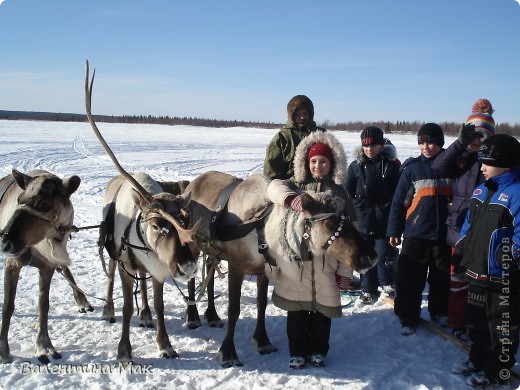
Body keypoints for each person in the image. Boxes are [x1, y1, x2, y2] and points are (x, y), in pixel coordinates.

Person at [265, 130, 358, 369]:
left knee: (322, 315)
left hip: (328, 265)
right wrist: (291, 200)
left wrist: (346, 273)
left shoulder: (340, 194)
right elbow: (272, 187)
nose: (318, 166)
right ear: (306, 163)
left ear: (332, 163)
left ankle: (318, 350)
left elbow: (350, 239)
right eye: (314, 161)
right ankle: (297, 351)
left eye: (323, 161)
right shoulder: (295, 186)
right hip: (297, 264)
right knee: (296, 313)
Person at [451, 134, 520, 389]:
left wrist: (510, 262)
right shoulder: (481, 190)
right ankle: (477, 360)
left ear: (506, 164)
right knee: (477, 322)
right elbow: (468, 228)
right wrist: (461, 254)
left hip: (503, 278)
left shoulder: (517, 194)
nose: (481, 168)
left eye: (486, 163)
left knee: (501, 328)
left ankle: (497, 372)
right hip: (477, 273)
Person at [431, 98, 496, 341]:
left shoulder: (493, 163)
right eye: (474, 136)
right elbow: (438, 168)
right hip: (457, 230)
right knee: (457, 281)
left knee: (479, 285)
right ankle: (458, 322)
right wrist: (460, 144)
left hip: (483, 233)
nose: (478, 141)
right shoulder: (463, 158)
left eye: (482, 136)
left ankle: (477, 325)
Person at [387, 123, 453, 336]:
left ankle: (439, 311)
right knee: (409, 278)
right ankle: (408, 316)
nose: (426, 146)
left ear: (440, 143)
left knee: (441, 277)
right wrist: (394, 231)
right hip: (416, 233)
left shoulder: (451, 166)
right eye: (421, 142)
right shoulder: (412, 168)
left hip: (443, 234)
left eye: (431, 142)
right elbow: (398, 203)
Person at [345, 126, 401, 304]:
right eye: (366, 145)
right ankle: (368, 288)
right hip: (362, 221)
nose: (369, 149)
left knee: (384, 254)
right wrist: (356, 210)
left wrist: (392, 220)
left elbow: (397, 196)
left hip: (384, 221)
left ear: (381, 145)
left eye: (373, 145)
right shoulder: (355, 166)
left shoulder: (391, 166)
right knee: (365, 256)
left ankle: (387, 284)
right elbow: (347, 193)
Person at [263, 95, 326, 180]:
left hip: (320, 185)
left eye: (305, 113)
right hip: (289, 187)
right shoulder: (282, 138)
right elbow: (271, 172)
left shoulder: (321, 135)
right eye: (298, 114)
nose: (302, 117)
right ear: (292, 115)